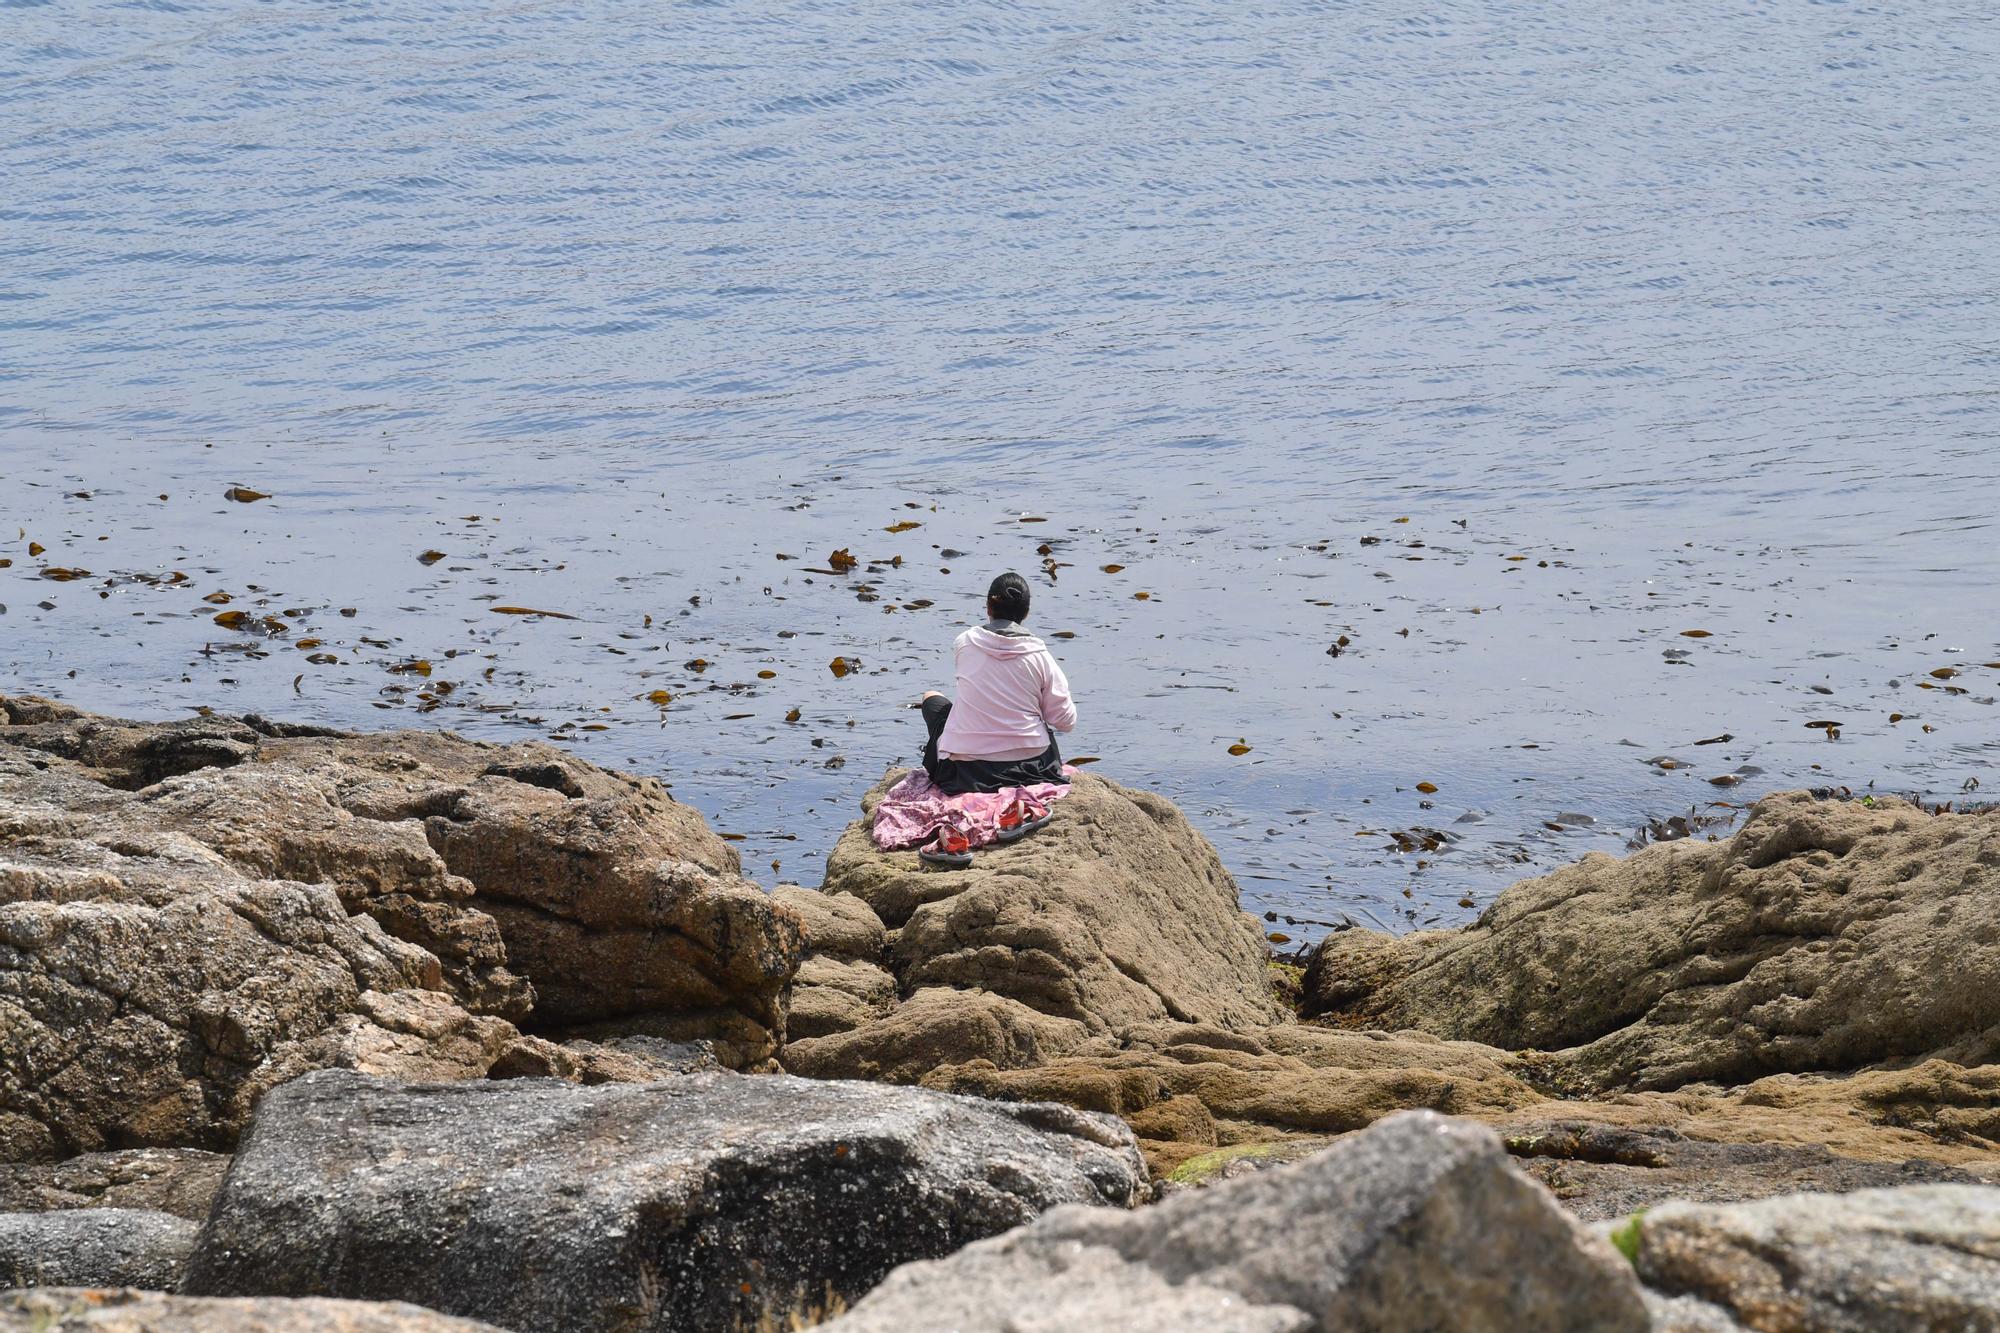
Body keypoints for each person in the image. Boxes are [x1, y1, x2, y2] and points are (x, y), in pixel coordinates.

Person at [918, 571, 1075, 794]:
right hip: (1031, 768)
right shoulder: (1041, 656)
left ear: (988, 608)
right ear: (1027, 613)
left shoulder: (964, 643)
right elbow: (1064, 722)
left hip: (965, 771)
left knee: (931, 698)